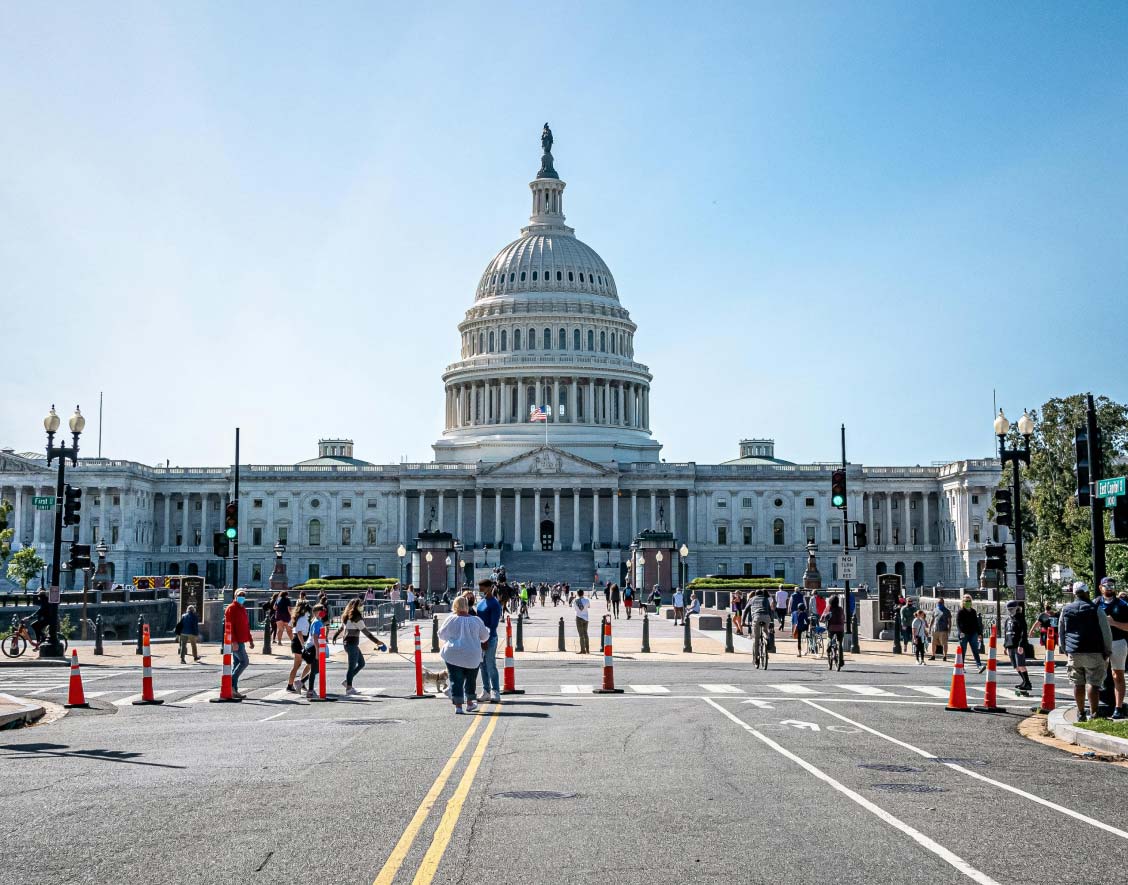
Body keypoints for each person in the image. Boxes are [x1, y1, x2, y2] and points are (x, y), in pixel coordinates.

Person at [1057, 582, 1113, 721]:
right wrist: (1107, 650)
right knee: (1093, 683)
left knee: (1078, 683)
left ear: (1074, 594)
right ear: (1087, 593)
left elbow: (1061, 631)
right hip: (1094, 650)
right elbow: (1106, 631)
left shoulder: (1066, 609)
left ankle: (1081, 713)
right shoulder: (1096, 609)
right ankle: (1094, 714)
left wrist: (1065, 648)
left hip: (1074, 651)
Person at [438, 596, 490, 714]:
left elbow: (441, 635)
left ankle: (458, 706)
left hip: (453, 654)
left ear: (455, 606)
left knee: (455, 679)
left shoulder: (451, 619)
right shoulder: (476, 620)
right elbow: (485, 637)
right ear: (467, 606)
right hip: (472, 655)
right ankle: (470, 702)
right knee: (471, 679)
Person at [332, 598, 387, 696]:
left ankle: (347, 681)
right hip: (351, 644)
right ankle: (349, 688)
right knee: (351, 666)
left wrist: (335, 636)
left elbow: (340, 628)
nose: (362, 607)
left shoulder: (346, 617)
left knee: (361, 663)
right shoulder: (356, 618)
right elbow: (366, 633)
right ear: (356, 607)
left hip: (349, 644)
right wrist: (377, 642)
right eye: (360, 605)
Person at [1097, 577, 1128, 719]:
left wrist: (1113, 623)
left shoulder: (1122, 605)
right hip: (1100, 644)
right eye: (1106, 585)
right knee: (1097, 675)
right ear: (1100, 587)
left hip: (1118, 642)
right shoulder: (1095, 603)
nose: (1109, 588)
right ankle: (1096, 706)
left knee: (1117, 675)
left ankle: (1118, 707)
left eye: (1111, 585)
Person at [475, 579, 502, 703]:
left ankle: (495, 691)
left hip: (490, 638)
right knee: (482, 666)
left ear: (489, 588)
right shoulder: (481, 602)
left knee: (491, 665)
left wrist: (486, 639)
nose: (480, 589)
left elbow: (493, 624)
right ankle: (486, 691)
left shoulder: (494, 604)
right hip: (479, 638)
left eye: (482, 587)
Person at [223, 590, 254, 700]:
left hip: (242, 641)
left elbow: (246, 625)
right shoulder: (231, 608)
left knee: (237, 663)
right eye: (239, 595)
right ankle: (230, 685)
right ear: (235, 596)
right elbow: (229, 626)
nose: (242, 597)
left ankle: (233, 690)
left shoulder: (242, 609)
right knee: (244, 662)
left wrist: (250, 639)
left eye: (243, 595)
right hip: (236, 642)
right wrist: (234, 641)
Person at [1002, 600, 1032, 692]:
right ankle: (1024, 681)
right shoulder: (1008, 619)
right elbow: (1006, 633)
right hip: (1010, 644)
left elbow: (1023, 633)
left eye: (1012, 609)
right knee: (1015, 666)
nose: (1010, 611)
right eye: (1009, 609)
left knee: (1021, 664)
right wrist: (1005, 646)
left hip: (1017, 644)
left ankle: (1027, 682)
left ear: (1016, 608)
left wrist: (1021, 645)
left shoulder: (1020, 619)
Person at [302, 605, 328, 698]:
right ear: (316, 612)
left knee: (316, 669)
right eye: (322, 610)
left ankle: (301, 682)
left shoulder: (317, 621)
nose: (324, 611)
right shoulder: (317, 622)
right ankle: (310, 690)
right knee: (314, 670)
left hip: (314, 647)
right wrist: (317, 651)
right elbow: (315, 637)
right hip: (313, 648)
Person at [956, 595, 986, 673]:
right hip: (964, 633)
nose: (968, 602)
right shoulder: (961, 612)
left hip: (973, 633)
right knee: (963, 650)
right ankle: (961, 666)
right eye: (966, 601)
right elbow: (958, 623)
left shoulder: (973, 611)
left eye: (969, 601)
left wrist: (979, 633)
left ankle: (979, 665)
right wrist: (961, 632)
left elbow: (976, 623)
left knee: (975, 650)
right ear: (963, 602)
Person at [287, 602, 311, 692]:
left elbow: (290, 627)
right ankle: (292, 685)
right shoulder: (301, 619)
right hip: (299, 641)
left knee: (304, 664)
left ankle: (300, 682)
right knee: (299, 664)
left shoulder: (298, 617)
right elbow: (299, 632)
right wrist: (303, 645)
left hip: (298, 641)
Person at [824, 595, 846, 667]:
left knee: (829, 639)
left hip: (831, 628)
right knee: (840, 642)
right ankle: (841, 659)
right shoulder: (840, 609)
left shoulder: (828, 608)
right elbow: (844, 617)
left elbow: (822, 617)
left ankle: (829, 650)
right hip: (840, 628)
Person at [929, 597, 952, 661]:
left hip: (943, 630)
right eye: (939, 602)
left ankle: (945, 656)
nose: (939, 603)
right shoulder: (935, 610)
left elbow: (949, 621)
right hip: (935, 629)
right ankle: (933, 655)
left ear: (943, 603)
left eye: (941, 602)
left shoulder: (947, 611)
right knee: (933, 643)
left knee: (944, 643)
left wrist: (949, 629)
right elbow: (932, 619)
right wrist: (930, 627)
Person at [574, 589, 591, 654]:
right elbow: (588, 607)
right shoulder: (587, 600)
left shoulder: (576, 601)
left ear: (578, 594)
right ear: (583, 593)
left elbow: (576, 609)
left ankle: (582, 650)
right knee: (586, 634)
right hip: (586, 618)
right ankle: (587, 649)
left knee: (581, 635)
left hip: (579, 617)